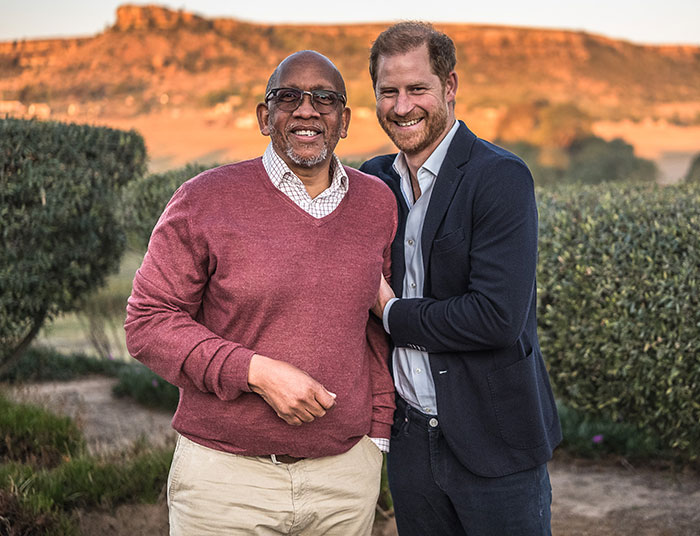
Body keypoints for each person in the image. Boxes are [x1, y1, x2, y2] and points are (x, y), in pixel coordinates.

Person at [124, 50, 397, 535]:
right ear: (263, 117)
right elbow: (148, 321)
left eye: (325, 99)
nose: (307, 110)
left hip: (344, 481)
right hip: (227, 481)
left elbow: (375, 327)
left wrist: (376, 436)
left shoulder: (376, 203)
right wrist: (255, 372)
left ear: (346, 120)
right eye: (288, 97)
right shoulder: (205, 199)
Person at [360, 22, 562, 535]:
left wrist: (392, 311)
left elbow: (494, 318)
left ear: (449, 87)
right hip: (408, 442)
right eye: (389, 91)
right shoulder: (371, 181)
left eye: (417, 88)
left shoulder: (500, 177)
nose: (402, 106)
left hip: (494, 438)